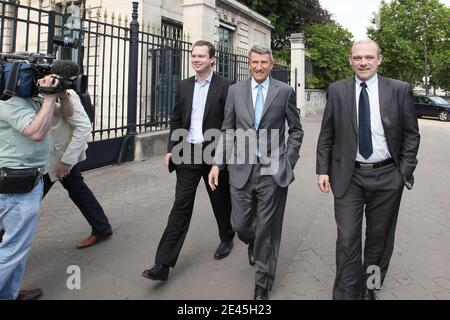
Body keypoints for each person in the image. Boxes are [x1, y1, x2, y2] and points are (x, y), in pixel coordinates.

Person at [316, 38, 420, 300]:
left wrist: (402, 173)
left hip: (387, 177)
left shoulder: (399, 90)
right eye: (358, 57)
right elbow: (327, 133)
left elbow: (411, 135)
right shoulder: (337, 90)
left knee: (378, 241)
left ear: (379, 59)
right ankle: (345, 293)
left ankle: (370, 288)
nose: (363, 62)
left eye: (368, 57)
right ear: (350, 60)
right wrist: (322, 169)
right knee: (348, 238)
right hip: (348, 176)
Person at [209, 45, 303, 300]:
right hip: (241, 168)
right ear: (248, 64)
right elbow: (227, 129)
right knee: (240, 224)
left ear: (272, 65)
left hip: (272, 170)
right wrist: (218, 164)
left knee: (267, 231)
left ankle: (262, 285)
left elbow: (296, 130)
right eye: (254, 62)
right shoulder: (235, 91)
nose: (259, 67)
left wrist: (289, 160)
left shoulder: (284, 91)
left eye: (264, 62)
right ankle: (250, 241)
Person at [141, 40, 235, 282]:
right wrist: (172, 148)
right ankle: (162, 264)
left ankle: (227, 236)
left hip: (214, 154)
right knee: (180, 206)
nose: (196, 60)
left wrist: (221, 158)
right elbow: (176, 118)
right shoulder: (183, 86)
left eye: (201, 56)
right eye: (193, 56)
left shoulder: (226, 86)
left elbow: (229, 125)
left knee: (220, 201)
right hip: (188, 152)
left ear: (212, 59)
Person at [0, 74, 73, 300]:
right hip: (15, 184)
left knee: (18, 246)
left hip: (30, 180)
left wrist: (62, 95)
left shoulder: (34, 100)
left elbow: (67, 114)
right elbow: (36, 132)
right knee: (12, 248)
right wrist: (50, 98)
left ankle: (9, 294)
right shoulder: (9, 103)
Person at [42, 89, 113, 249]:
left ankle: (7, 237)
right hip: (48, 157)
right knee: (78, 190)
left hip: (59, 156)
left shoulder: (66, 94)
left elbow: (83, 127)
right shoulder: (26, 92)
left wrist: (67, 161)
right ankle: (102, 227)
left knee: (24, 200)